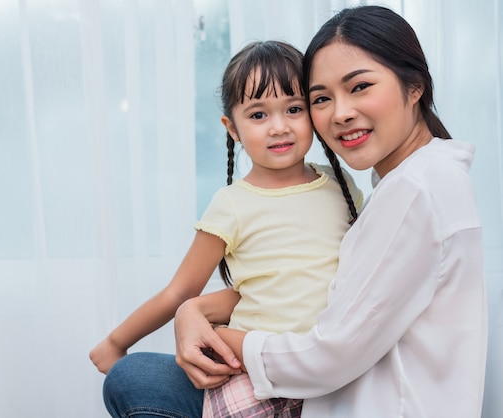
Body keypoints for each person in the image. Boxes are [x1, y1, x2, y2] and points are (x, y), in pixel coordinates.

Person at [103, 5, 488, 418]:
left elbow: (328, 355)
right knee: (134, 376)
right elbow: (296, 278)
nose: (339, 113)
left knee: (134, 379)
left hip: (338, 390)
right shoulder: (404, 184)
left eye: (359, 87)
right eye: (322, 98)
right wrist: (192, 310)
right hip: (317, 380)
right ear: (231, 127)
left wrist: (223, 334)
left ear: (416, 86)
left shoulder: (414, 190)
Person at [98, 40, 362, 417]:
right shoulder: (232, 205)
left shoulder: (341, 186)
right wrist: (114, 342)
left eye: (294, 109)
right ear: (232, 128)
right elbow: (179, 292)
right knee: (132, 378)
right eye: (258, 115)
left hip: (327, 368)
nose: (279, 127)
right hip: (254, 368)